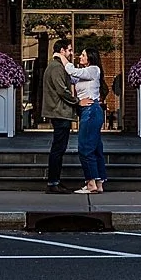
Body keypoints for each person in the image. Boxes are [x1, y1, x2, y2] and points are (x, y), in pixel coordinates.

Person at [41, 38, 79, 193]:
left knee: (59, 148)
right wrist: (77, 101)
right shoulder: (56, 67)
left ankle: (55, 181)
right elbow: (62, 90)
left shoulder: (55, 66)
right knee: (58, 148)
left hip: (58, 111)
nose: (71, 53)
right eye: (69, 50)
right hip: (60, 112)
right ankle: (53, 183)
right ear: (62, 51)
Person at [69, 47, 107, 194]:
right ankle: (99, 183)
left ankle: (90, 184)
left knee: (85, 148)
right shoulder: (84, 73)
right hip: (89, 112)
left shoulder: (94, 69)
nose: (80, 56)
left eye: (83, 55)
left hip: (91, 111)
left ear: (90, 57)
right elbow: (71, 76)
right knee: (96, 148)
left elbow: (71, 71)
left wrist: (62, 57)